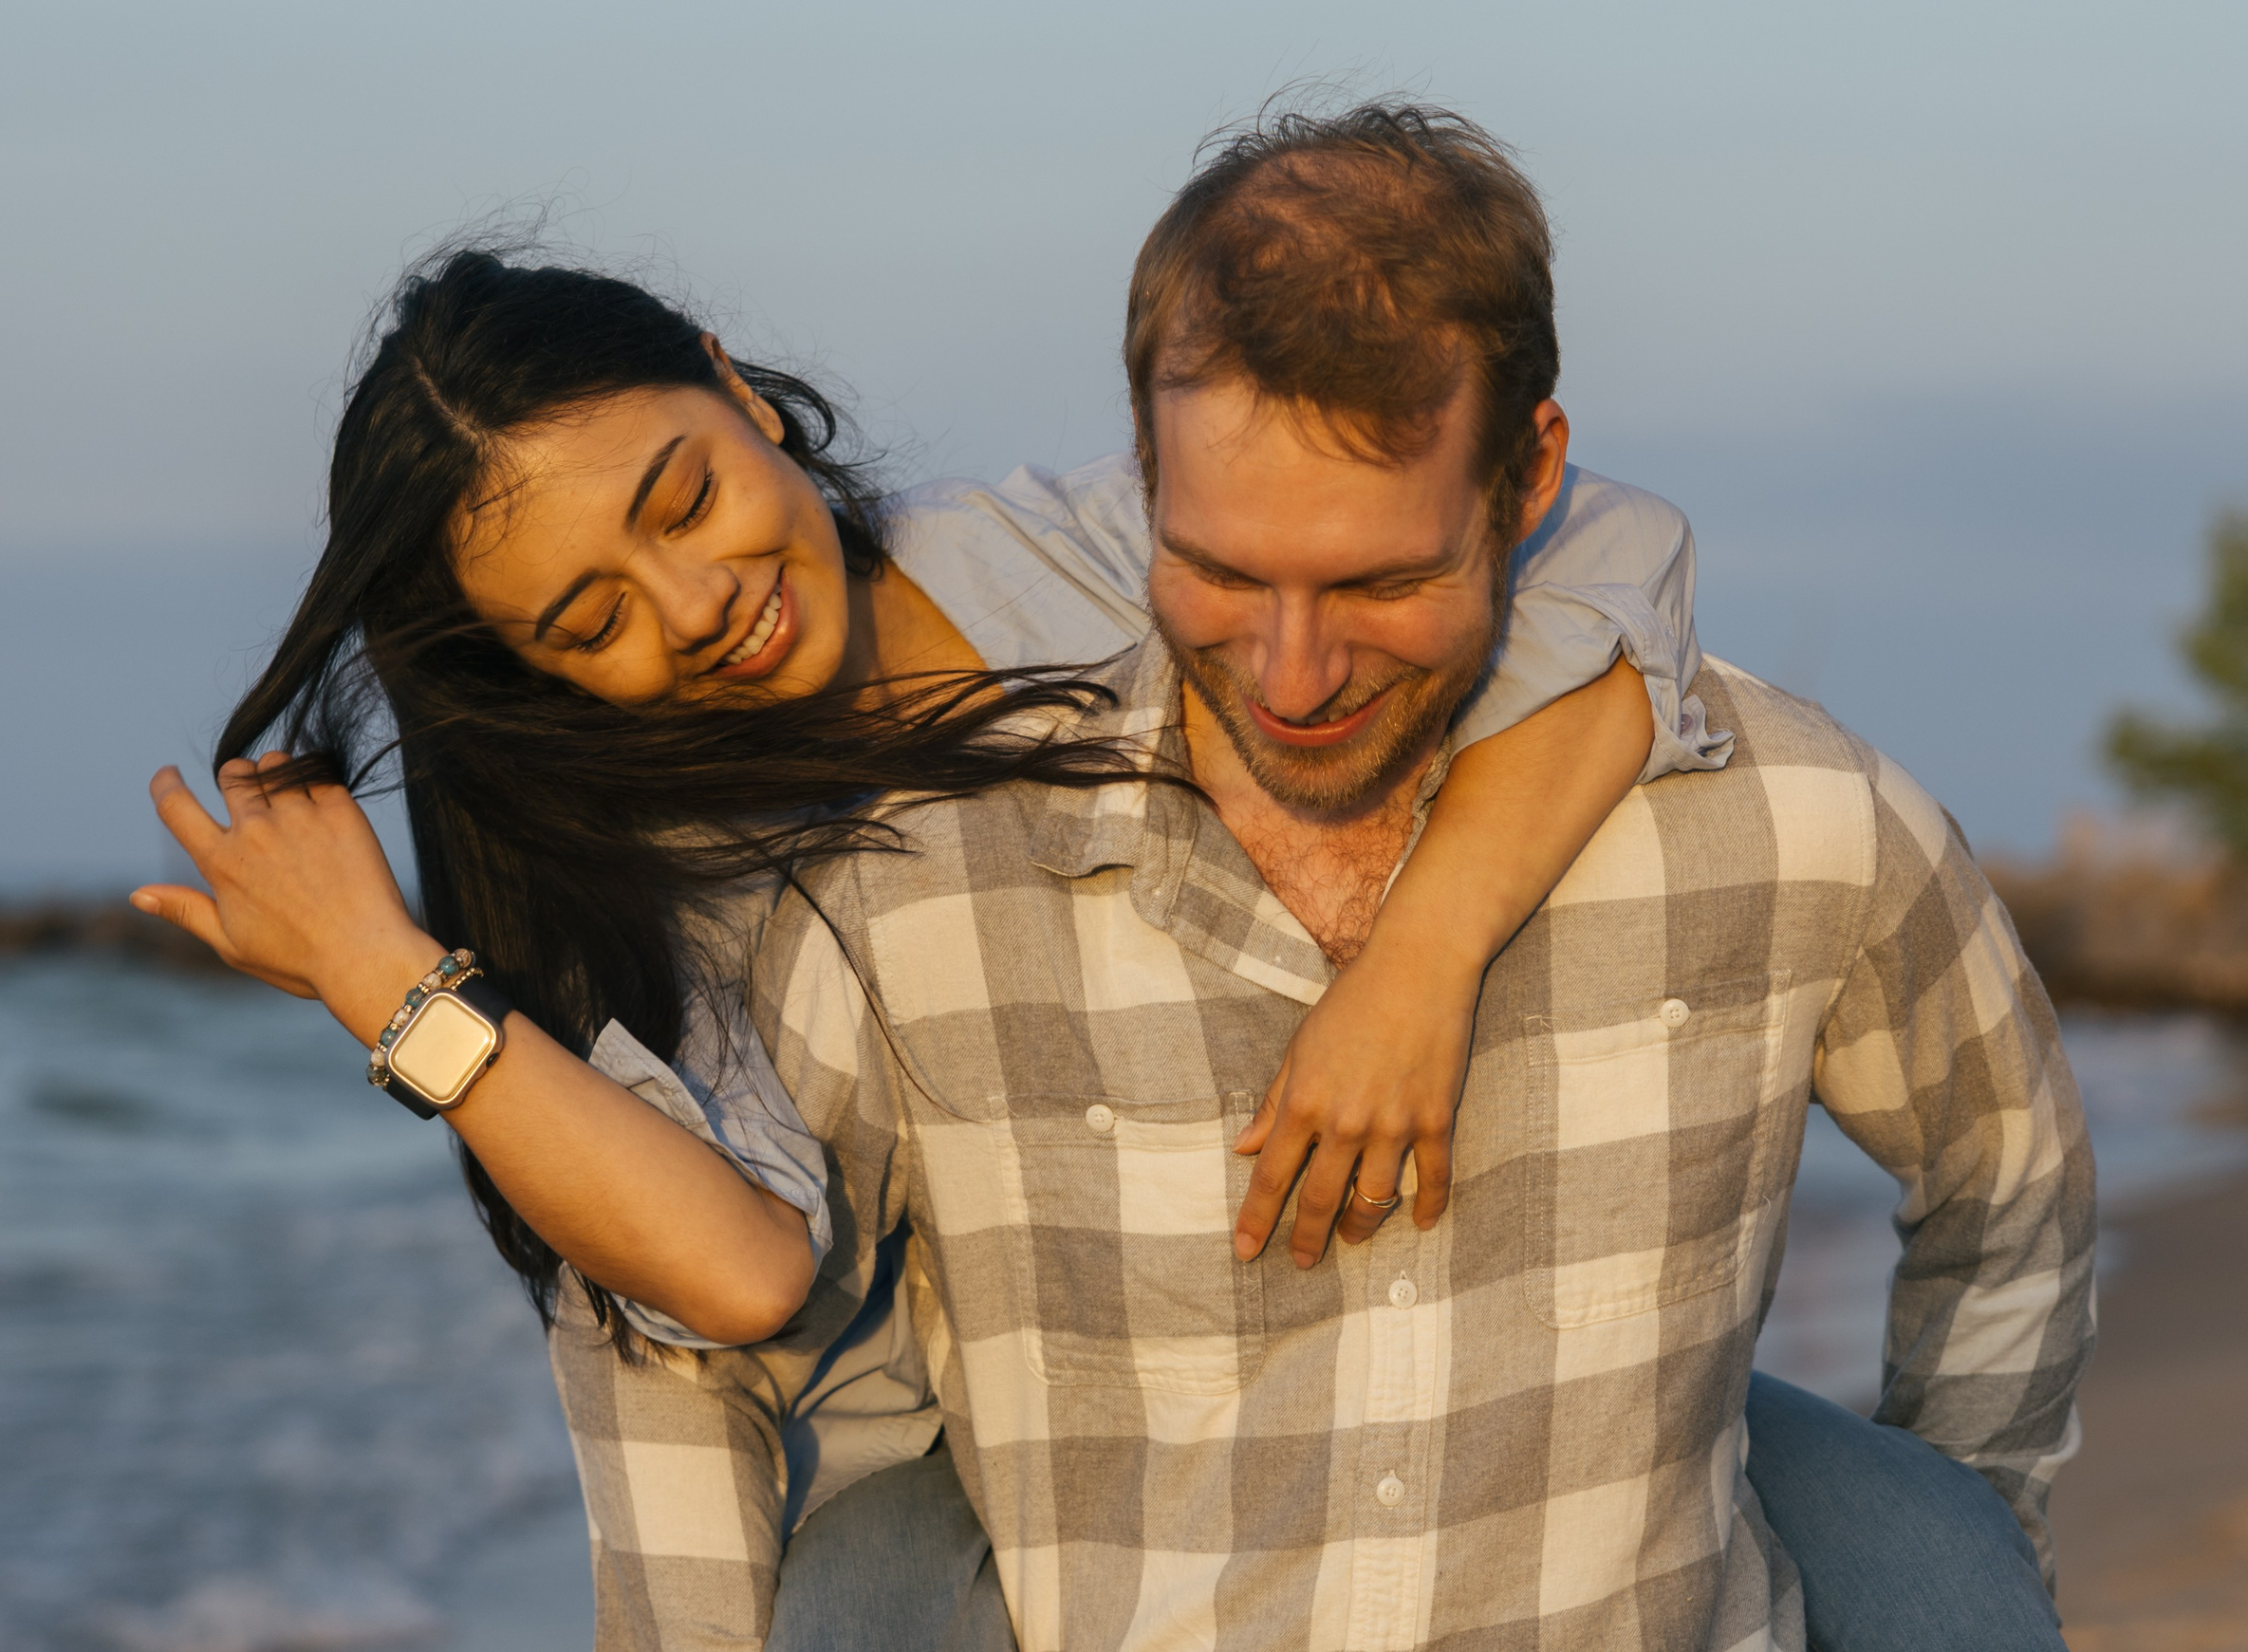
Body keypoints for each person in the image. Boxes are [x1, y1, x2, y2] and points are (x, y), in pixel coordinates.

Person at [134, 114, 2076, 1652]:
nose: (696, 604)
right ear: (527, 667)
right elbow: (704, 1306)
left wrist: (1418, 954)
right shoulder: (668, 880)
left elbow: (1603, 565)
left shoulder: (1076, 555)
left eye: (681, 497)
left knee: (1926, 1563)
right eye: (589, 619)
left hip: (1322, 1382)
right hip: (966, 1470)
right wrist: (397, 983)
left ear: (731, 382)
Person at [722, 105, 2093, 1649]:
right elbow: (731, 1353)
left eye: (1382, 581)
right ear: (1141, 476)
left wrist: (1964, 1552)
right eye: (1223, 571)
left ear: (1528, 477)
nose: (1294, 673)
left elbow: (2011, 1168)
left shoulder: (1794, 819)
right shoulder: (915, 877)